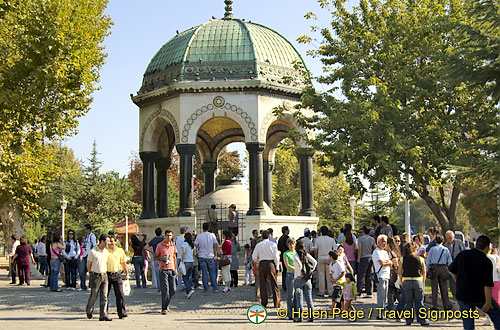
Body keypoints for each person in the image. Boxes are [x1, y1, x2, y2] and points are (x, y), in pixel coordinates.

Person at [449, 235, 500, 329]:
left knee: (468, 319)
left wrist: (459, 282)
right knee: (497, 315)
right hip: (479, 295)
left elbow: (452, 271)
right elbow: (488, 284)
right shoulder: (486, 261)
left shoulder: (462, 255)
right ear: (487, 247)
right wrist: (488, 302)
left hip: (462, 294)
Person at [398, 241, 429, 326]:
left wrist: (401, 280)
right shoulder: (420, 259)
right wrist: (423, 281)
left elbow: (400, 271)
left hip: (407, 281)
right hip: (417, 280)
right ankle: (422, 319)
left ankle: (409, 320)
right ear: (415, 249)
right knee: (419, 302)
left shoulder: (402, 259)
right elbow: (424, 271)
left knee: (408, 302)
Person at [252, 230, 280, 308]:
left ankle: (264, 302)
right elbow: (276, 257)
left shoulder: (258, 245)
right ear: (269, 236)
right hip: (271, 263)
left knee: (262, 284)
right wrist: (277, 266)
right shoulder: (273, 244)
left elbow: (254, 256)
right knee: (274, 283)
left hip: (262, 263)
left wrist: (258, 261)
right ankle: (276, 302)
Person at [86, 234, 111, 321]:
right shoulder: (93, 251)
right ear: (102, 241)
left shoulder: (106, 252)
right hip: (95, 275)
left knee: (104, 295)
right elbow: (88, 264)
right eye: (107, 241)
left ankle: (103, 314)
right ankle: (89, 311)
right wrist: (91, 273)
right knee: (94, 295)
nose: (108, 243)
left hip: (104, 275)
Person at [426, 234, 452, 310]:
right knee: (444, 287)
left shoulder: (432, 249)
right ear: (443, 241)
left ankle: (435, 306)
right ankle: (446, 305)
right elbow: (449, 261)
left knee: (434, 288)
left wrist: (428, 269)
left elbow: (428, 261)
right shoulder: (446, 250)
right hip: (443, 268)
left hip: (434, 268)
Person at [293, 240, 317, 322]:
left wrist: (299, 273)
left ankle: (300, 317)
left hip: (298, 280)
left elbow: (299, 265)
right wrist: (310, 272)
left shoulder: (295, 255)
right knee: (309, 298)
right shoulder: (306, 254)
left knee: (299, 298)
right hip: (307, 280)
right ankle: (311, 316)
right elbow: (315, 262)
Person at [106, 233, 129, 319]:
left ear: (116, 242)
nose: (110, 243)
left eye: (112, 241)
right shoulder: (105, 251)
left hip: (117, 274)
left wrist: (127, 273)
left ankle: (122, 313)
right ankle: (104, 313)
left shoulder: (120, 251)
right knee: (105, 295)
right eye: (109, 242)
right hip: (106, 274)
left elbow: (123, 263)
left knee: (120, 294)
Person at [155, 230, 177, 314]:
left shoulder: (173, 245)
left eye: (170, 235)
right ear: (164, 236)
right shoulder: (160, 245)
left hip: (171, 269)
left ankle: (167, 303)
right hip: (163, 269)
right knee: (165, 290)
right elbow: (156, 257)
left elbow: (174, 257)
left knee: (173, 289)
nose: (169, 237)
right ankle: (164, 308)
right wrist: (162, 259)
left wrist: (175, 268)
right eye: (167, 235)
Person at [194, 223, 219, 292]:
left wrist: (197, 251)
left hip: (202, 255)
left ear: (202, 228)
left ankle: (206, 287)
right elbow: (215, 244)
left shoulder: (199, 236)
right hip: (210, 255)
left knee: (204, 272)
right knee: (212, 272)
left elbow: (195, 245)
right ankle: (215, 287)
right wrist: (215, 254)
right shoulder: (212, 235)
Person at [372, 234, 392, 318]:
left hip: (386, 275)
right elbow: (382, 263)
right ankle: (380, 313)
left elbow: (389, 263)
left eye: (386, 242)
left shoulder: (384, 252)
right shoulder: (376, 252)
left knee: (385, 295)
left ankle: (383, 310)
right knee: (381, 295)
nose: (384, 243)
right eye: (383, 241)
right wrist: (389, 262)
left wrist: (388, 262)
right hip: (380, 275)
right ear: (378, 242)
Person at [314, 226, 336, 297]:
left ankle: (321, 291)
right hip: (329, 258)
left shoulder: (318, 240)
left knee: (321, 275)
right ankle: (330, 291)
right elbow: (334, 249)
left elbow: (316, 250)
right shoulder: (331, 240)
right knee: (329, 275)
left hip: (321, 257)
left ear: (321, 232)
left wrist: (316, 256)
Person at [444, 230, 466, 297]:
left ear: (453, 237)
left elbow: (463, 252)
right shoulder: (446, 245)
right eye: (447, 238)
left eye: (450, 238)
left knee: (460, 279)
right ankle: (454, 294)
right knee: (451, 280)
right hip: (451, 265)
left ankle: (462, 292)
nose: (449, 240)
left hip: (459, 264)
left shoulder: (459, 243)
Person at [357, 226, 376, 298]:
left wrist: (358, 259)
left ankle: (359, 291)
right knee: (369, 275)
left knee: (361, 275)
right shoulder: (372, 239)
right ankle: (369, 292)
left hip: (363, 257)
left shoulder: (360, 239)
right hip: (370, 257)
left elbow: (360, 250)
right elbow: (374, 247)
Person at [147, 227, 164, 292]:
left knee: (157, 274)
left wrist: (152, 252)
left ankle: (159, 289)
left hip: (156, 258)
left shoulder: (153, 240)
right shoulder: (163, 240)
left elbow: (146, 247)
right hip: (162, 258)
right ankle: (163, 288)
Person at [80, 224, 97, 291]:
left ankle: (91, 285)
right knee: (82, 271)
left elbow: (94, 245)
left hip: (89, 255)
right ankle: (83, 285)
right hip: (84, 254)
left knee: (90, 270)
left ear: (89, 229)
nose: (85, 230)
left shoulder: (92, 236)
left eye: (86, 229)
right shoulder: (86, 237)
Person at [283, 237, 296, 320]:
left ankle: (297, 311)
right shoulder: (286, 254)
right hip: (290, 274)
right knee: (290, 294)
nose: (291, 245)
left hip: (298, 275)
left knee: (297, 295)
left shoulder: (297, 253)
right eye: (290, 244)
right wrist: (296, 269)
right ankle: (290, 313)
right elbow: (287, 265)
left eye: (293, 243)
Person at [387, 237, 401, 311]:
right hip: (392, 274)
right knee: (395, 292)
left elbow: (396, 265)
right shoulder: (394, 252)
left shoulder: (392, 253)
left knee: (391, 292)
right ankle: (403, 305)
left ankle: (391, 308)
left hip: (393, 274)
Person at [181, 232, 196, 299]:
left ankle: (189, 289)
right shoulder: (192, 245)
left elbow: (183, 252)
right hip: (191, 261)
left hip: (186, 261)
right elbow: (195, 253)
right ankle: (188, 291)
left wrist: (182, 260)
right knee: (189, 277)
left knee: (185, 278)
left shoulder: (184, 244)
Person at [174, 226, 188, 290]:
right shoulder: (185, 239)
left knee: (179, 273)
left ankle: (180, 286)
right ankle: (186, 284)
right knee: (185, 272)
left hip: (177, 256)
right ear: (185, 232)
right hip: (184, 257)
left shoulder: (176, 238)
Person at [278, 226, 290, 291]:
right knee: (288, 271)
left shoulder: (280, 239)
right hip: (288, 256)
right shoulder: (287, 238)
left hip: (282, 256)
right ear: (286, 231)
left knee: (284, 271)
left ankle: (284, 284)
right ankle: (288, 284)